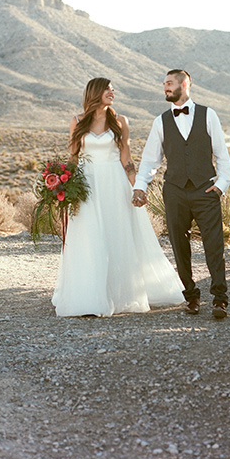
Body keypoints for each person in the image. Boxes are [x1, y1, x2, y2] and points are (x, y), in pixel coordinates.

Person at [52, 77, 184, 317]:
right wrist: (61, 184)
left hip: (114, 184)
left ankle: (118, 295)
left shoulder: (120, 121)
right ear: (95, 93)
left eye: (113, 90)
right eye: (107, 90)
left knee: (116, 235)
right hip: (86, 185)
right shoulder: (77, 122)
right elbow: (73, 157)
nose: (112, 93)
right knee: (89, 236)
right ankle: (88, 297)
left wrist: (137, 187)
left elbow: (127, 158)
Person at [132, 69, 230, 319]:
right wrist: (140, 186)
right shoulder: (160, 121)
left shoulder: (209, 115)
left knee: (214, 245)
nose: (165, 87)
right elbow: (150, 161)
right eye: (164, 84)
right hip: (174, 191)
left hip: (205, 190)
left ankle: (219, 299)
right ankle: (191, 296)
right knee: (179, 245)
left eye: (169, 83)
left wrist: (221, 184)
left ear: (185, 84)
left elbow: (221, 153)